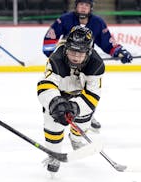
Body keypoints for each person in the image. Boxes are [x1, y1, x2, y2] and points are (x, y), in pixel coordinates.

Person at [42, 0, 132, 132]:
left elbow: (107, 42)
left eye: (86, 5)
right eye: (81, 4)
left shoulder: (97, 22)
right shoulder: (65, 19)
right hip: (66, 63)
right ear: (76, 6)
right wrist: (56, 56)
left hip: (84, 64)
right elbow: (50, 38)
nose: (83, 7)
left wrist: (119, 51)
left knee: (88, 89)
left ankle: (86, 114)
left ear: (91, 8)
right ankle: (57, 112)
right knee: (62, 89)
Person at [37, 26, 105, 174]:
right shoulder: (56, 59)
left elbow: (93, 95)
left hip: (80, 96)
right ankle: (53, 154)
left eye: (80, 53)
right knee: (52, 122)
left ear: (88, 52)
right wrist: (55, 102)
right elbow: (45, 85)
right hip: (59, 93)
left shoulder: (96, 64)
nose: (75, 56)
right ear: (66, 47)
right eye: (72, 51)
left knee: (83, 121)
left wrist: (74, 107)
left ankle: (75, 139)